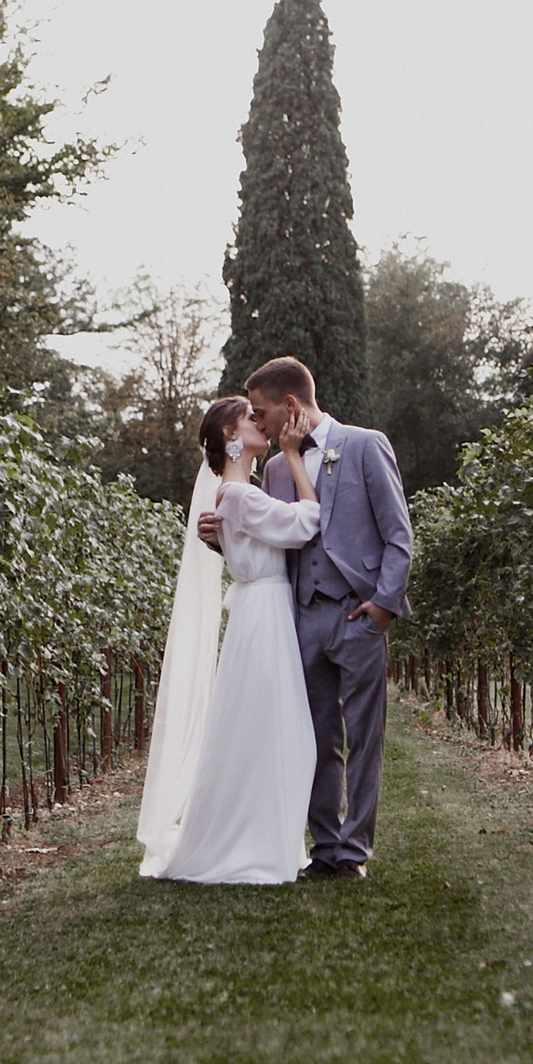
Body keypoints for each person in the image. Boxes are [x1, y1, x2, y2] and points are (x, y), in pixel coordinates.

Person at [196, 357, 412, 880]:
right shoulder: (274, 469)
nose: (260, 422)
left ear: (290, 405)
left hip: (358, 616)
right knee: (315, 737)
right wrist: (222, 542)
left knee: (364, 736)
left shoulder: (365, 445)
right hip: (300, 618)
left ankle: (355, 852)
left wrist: (383, 607)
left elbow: (399, 536)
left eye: (263, 411)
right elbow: (272, 544)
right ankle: (326, 848)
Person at [137, 396, 325, 884]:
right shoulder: (238, 495)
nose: (259, 422)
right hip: (263, 614)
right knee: (279, 734)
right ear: (229, 435)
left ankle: (266, 839)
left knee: (268, 733)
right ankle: (254, 845)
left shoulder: (233, 494)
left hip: (261, 612)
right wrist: (292, 455)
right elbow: (307, 523)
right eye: (249, 417)